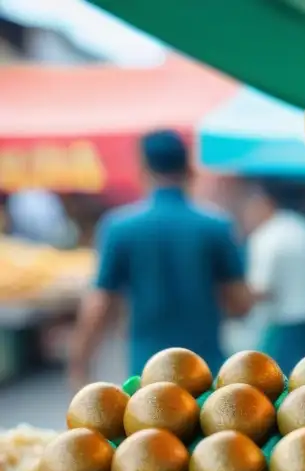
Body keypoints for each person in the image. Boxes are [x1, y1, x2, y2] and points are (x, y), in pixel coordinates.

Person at [68, 130, 252, 387]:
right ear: (188, 168)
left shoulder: (120, 227)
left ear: (143, 167)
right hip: (206, 372)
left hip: (147, 374)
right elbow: (240, 304)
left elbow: (99, 305)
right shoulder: (217, 226)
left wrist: (80, 363)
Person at [235, 180, 305, 373]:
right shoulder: (298, 223)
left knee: (281, 380)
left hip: (288, 323)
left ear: (262, 203)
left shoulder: (268, 236)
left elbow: (260, 289)